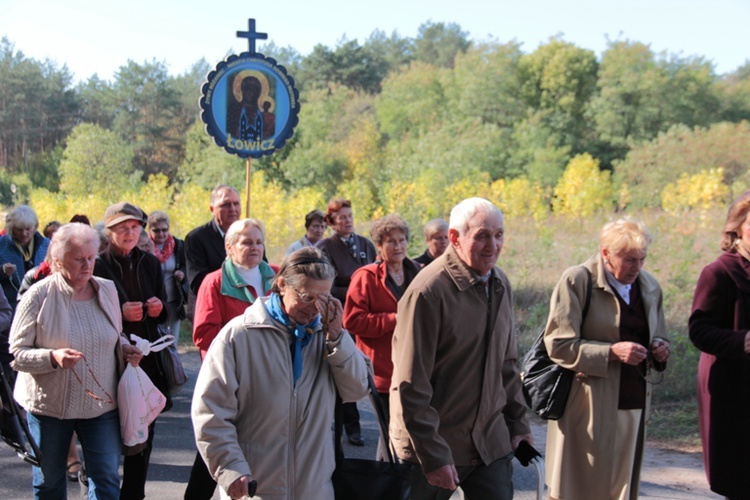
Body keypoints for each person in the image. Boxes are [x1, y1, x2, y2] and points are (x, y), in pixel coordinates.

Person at [191, 247, 369, 499]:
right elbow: (211, 411)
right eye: (307, 297)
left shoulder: (329, 335)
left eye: (324, 298)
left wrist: (338, 338)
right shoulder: (240, 335)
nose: (315, 309)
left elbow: (357, 390)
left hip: (314, 488)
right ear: (282, 284)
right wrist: (230, 467)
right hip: (255, 488)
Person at [390, 197, 533, 499]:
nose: (492, 245)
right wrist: (433, 455)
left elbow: (507, 364)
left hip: (489, 442)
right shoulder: (428, 292)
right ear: (455, 238)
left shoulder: (499, 284)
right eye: (481, 235)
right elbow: (410, 384)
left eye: (498, 235)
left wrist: (518, 423)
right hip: (435, 445)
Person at [10, 222, 143, 499]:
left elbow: (113, 335)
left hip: (101, 406)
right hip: (50, 408)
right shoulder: (39, 295)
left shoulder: (106, 289)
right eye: (79, 259)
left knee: (106, 480)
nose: (88, 265)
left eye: (91, 258)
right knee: (49, 484)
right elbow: (18, 353)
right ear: (58, 261)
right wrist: (52, 357)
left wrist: (125, 349)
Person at [544, 218, 670, 500]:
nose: (636, 267)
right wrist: (611, 352)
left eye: (642, 259)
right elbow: (559, 345)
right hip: (587, 406)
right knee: (577, 489)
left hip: (633, 402)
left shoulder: (649, 286)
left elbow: (659, 335)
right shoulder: (577, 281)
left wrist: (660, 350)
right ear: (605, 253)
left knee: (620, 488)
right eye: (628, 259)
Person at [185, 219, 277, 500]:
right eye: (247, 242)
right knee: (220, 443)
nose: (255, 247)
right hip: (229, 378)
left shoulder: (276, 277)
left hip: (272, 377)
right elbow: (203, 334)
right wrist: (245, 348)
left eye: (259, 242)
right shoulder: (214, 282)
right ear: (229, 247)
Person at [93, 202, 169, 500]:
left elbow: (164, 313)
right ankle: (103, 490)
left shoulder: (150, 262)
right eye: (123, 228)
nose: (130, 233)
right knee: (109, 432)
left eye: (135, 227)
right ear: (109, 231)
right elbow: (89, 316)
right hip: (109, 361)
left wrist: (159, 308)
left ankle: (135, 493)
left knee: (144, 433)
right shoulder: (97, 265)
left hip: (146, 361)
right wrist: (121, 312)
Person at [689, 190, 750, 499]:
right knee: (740, 478)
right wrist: (744, 341)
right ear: (737, 228)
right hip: (732, 390)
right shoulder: (719, 272)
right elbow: (699, 331)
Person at [343, 214, 420, 459]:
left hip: (414, 367)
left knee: (409, 432)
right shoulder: (365, 277)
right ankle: (387, 482)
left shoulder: (417, 272)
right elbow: (352, 321)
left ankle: (392, 480)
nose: (398, 246)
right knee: (391, 433)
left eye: (401, 240)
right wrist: (393, 319)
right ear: (378, 246)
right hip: (382, 372)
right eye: (390, 242)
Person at [316, 198, 377, 447]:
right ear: (331, 222)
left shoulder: (365, 244)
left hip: (365, 317)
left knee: (366, 370)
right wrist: (354, 287)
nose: (347, 220)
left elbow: (375, 274)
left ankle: (380, 420)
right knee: (342, 370)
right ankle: (350, 426)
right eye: (341, 217)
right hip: (337, 318)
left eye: (350, 216)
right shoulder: (325, 248)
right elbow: (325, 284)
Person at [185, 186, 241, 316]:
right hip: (212, 310)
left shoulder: (250, 236)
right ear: (212, 209)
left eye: (236, 203)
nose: (233, 209)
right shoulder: (196, 238)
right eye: (226, 204)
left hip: (244, 310)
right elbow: (197, 282)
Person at [0, 205, 51, 309]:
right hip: (11, 307)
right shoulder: (1, 245)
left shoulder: (47, 245)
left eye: (28, 229)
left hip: (41, 305)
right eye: (19, 230)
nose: (24, 234)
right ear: (12, 228)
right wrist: (2, 272)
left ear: (35, 227)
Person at [148, 211, 188, 342]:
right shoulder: (144, 246)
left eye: (164, 230)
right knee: (155, 339)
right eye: (157, 230)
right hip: (153, 301)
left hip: (173, 301)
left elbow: (187, 266)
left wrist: (182, 273)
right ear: (150, 230)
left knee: (172, 340)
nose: (161, 234)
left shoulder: (178, 245)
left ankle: (173, 363)